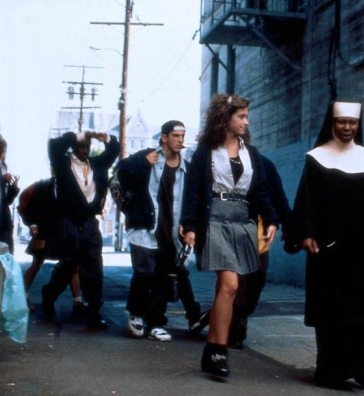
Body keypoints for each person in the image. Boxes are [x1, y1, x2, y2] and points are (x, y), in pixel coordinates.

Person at [286, 100, 364, 390]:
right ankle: (329, 371)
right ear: (332, 123)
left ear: (358, 125)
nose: (346, 127)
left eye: (352, 123)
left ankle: (360, 366)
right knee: (331, 311)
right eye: (341, 122)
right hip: (327, 247)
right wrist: (306, 233)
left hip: (362, 248)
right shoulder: (316, 158)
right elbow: (305, 200)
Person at [181, 94, 279, 377]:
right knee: (231, 284)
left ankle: (211, 349)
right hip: (214, 219)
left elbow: (260, 191)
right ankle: (219, 350)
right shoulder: (205, 152)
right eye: (242, 116)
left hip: (242, 222)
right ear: (225, 118)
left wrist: (271, 218)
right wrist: (190, 225)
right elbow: (193, 191)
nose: (247, 122)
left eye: (247, 116)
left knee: (225, 289)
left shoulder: (252, 153)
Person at [117, 120, 204, 341]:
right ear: (164, 137)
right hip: (145, 228)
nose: (181, 140)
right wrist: (142, 163)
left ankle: (156, 323)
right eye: (176, 136)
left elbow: (192, 201)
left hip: (171, 232)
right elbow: (122, 175)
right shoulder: (147, 157)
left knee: (163, 278)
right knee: (144, 272)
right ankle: (136, 314)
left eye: (183, 136)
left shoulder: (187, 168)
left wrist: (190, 227)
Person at [41, 130, 119, 329]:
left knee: (94, 267)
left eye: (87, 147)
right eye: (81, 146)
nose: (84, 151)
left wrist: (104, 138)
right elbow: (54, 145)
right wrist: (78, 136)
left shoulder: (97, 164)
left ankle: (94, 312)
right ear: (74, 147)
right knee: (68, 264)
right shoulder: (62, 163)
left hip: (90, 222)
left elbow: (114, 150)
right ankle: (49, 294)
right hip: (68, 221)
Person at [228, 154, 292, 349]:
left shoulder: (264, 164)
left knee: (257, 281)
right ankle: (236, 329)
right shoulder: (221, 161)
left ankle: (228, 314)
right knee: (238, 284)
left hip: (259, 235)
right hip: (232, 232)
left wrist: (288, 226)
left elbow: (278, 197)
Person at [19, 177, 84, 314]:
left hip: (66, 231)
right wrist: (32, 223)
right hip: (45, 230)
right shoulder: (41, 186)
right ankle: (22, 298)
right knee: (36, 264)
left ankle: (77, 301)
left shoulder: (72, 185)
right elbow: (25, 202)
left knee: (73, 265)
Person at [0, 130, 20, 253]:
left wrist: (12, 188)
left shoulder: (2, 167)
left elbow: (6, 201)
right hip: (0, 225)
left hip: (3, 223)